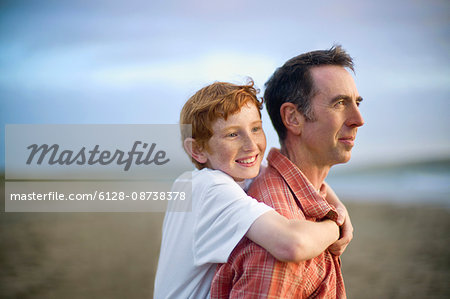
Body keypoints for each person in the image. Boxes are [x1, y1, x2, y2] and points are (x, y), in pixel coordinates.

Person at [154, 80, 350, 298]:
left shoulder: (194, 181)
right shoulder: (212, 188)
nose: (251, 145)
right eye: (232, 134)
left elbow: (292, 177)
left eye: (256, 128)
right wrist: (335, 226)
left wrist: (339, 207)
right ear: (197, 150)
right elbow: (291, 244)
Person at [211, 45, 364, 298]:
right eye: (339, 103)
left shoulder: (298, 197)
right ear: (293, 118)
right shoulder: (276, 239)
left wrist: (336, 211)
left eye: (356, 103)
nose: (358, 119)